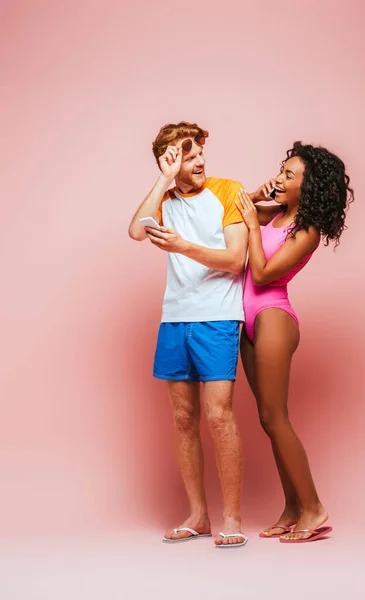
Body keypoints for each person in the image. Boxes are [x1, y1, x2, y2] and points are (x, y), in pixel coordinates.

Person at [128, 122, 249, 547]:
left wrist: (182, 247)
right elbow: (136, 231)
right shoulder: (166, 198)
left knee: (219, 417)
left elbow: (236, 259)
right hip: (174, 318)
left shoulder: (229, 191)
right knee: (183, 420)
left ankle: (231, 518)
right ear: (169, 161)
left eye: (199, 153)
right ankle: (198, 516)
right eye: (187, 155)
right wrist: (163, 180)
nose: (199, 161)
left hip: (217, 316)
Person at [236, 141, 354, 543]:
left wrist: (253, 225)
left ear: (310, 186)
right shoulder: (275, 214)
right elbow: (232, 210)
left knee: (276, 417)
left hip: (273, 317)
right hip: (247, 320)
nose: (281, 177)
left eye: (290, 174)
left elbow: (265, 274)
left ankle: (314, 508)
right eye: (282, 171)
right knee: (267, 421)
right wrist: (256, 202)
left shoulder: (307, 230)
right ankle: (292, 507)